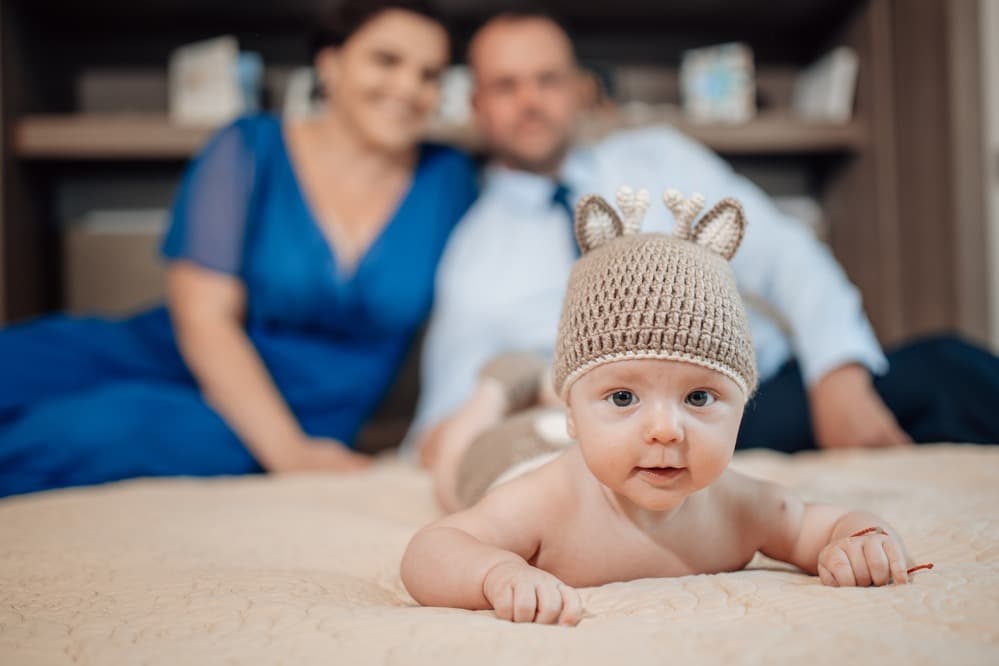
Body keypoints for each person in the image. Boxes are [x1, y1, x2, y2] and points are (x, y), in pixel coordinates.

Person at [407, 10, 999, 469]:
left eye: (547, 80)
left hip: (768, 386)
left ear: (579, 89)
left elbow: (787, 256)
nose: (530, 101)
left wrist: (836, 371)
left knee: (949, 369)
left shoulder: (662, 155)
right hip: (641, 433)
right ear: (479, 105)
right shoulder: (472, 259)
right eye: (506, 86)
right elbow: (443, 427)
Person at [0, 0, 477, 498]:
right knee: (14, 363)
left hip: (292, 417)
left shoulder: (449, 179)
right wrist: (289, 454)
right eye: (386, 60)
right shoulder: (249, 146)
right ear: (329, 62)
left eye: (430, 74)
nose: (409, 87)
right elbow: (203, 321)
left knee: (93, 428)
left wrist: (291, 451)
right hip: (171, 351)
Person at [401, 190, 922, 626]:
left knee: (590, 398)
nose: (665, 430)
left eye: (699, 397)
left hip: (576, 424)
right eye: (624, 397)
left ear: (743, 403)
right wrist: (496, 574)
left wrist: (862, 539)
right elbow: (430, 551)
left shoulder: (741, 508)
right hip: (512, 453)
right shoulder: (543, 503)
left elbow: (822, 524)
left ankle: (550, 384)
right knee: (450, 468)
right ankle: (502, 382)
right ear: (574, 412)